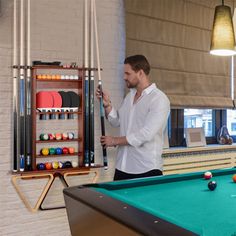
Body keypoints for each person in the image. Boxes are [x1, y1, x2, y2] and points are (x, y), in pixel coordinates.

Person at [96, 54, 170, 181]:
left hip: (146, 169)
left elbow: (145, 134)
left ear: (140, 73)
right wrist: (107, 105)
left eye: (127, 73)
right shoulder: (129, 97)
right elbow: (117, 121)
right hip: (122, 167)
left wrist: (114, 141)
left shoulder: (159, 99)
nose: (124, 77)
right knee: (116, 202)